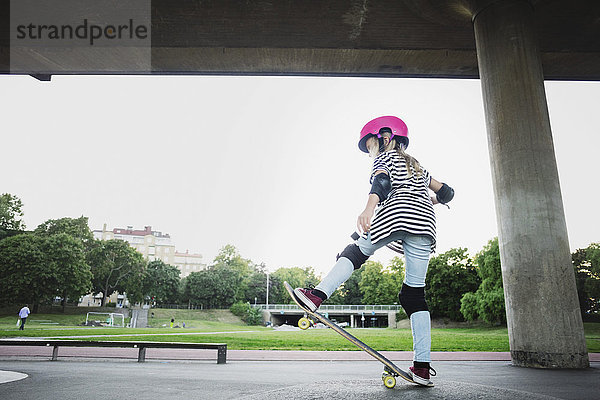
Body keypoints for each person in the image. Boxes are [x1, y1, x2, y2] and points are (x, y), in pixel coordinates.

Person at [294, 116, 454, 387]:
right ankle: (423, 366)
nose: (370, 151)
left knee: (354, 252)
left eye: (370, 145)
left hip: (394, 214)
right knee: (414, 294)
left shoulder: (384, 158)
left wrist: (369, 208)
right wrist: (428, 200)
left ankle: (316, 295)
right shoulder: (417, 166)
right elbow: (448, 193)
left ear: (385, 138)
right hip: (425, 225)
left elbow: (381, 183)